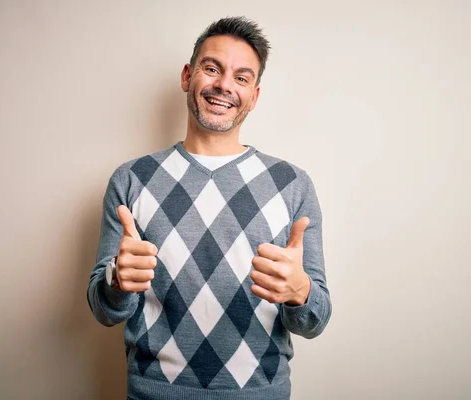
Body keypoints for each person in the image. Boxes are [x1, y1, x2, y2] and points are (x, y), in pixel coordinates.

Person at [87, 16, 332, 400]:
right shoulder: (131, 179)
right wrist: (117, 281)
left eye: (241, 77)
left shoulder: (292, 185)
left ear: (254, 95)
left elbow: (316, 319)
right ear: (188, 76)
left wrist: (300, 292)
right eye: (212, 68)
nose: (223, 85)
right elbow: (103, 311)